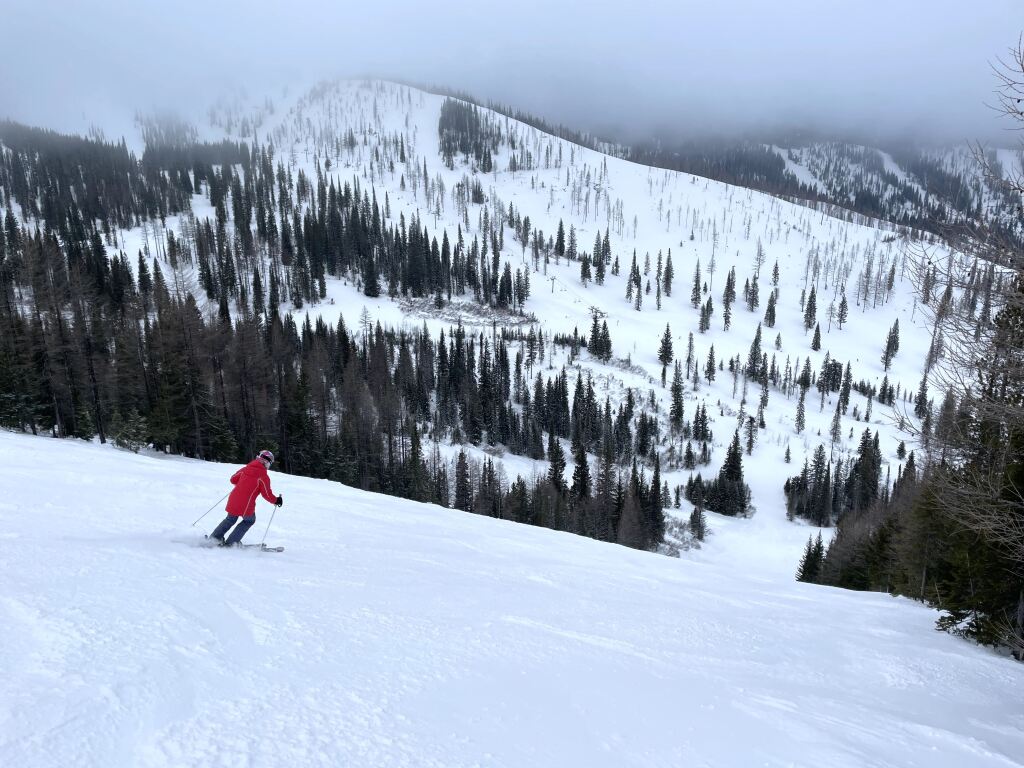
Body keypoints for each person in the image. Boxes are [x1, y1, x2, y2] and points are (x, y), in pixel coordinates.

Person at [210, 450, 283, 547]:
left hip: (233, 499)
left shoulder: (246, 468)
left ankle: (214, 538)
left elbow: (233, 479)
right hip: (246, 504)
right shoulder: (263, 476)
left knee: (230, 519)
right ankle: (232, 542)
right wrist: (277, 500)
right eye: (270, 463)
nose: (269, 466)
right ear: (266, 462)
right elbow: (267, 495)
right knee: (249, 520)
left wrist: (243, 484)